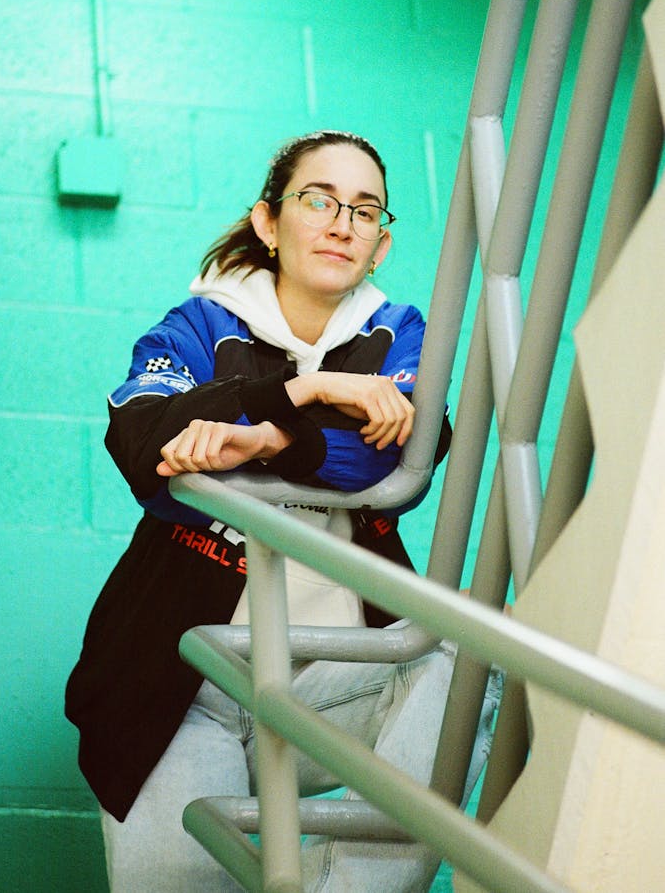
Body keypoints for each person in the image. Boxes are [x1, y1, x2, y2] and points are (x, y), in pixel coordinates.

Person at [65, 130, 499, 892]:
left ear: (381, 243)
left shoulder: (398, 333)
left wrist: (260, 435)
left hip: (340, 678)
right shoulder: (198, 326)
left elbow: (403, 450)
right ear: (268, 223)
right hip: (184, 686)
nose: (341, 222)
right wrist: (304, 392)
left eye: (364, 211)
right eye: (318, 199)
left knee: (469, 653)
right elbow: (145, 439)